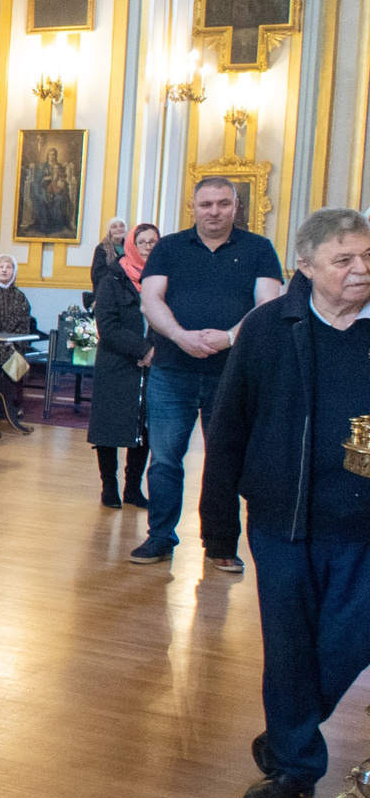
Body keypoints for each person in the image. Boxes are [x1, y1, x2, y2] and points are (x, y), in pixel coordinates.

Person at [201, 208, 370, 798]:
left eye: (367, 258)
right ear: (306, 265)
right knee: (290, 645)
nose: (360, 270)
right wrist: (216, 527)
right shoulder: (270, 327)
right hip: (283, 521)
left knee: (353, 636)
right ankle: (297, 764)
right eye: (344, 260)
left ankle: (285, 732)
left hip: (362, 527)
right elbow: (228, 430)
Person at [134, 175, 286, 570]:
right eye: (206, 204)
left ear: (236, 206)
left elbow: (268, 306)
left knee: (224, 458)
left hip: (232, 373)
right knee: (165, 458)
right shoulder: (168, 247)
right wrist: (181, 336)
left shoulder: (259, 248)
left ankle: (220, 545)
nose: (214, 211)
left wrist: (231, 337)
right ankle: (160, 537)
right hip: (172, 368)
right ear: (194, 207)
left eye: (223, 203)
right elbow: (151, 300)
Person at [90, 222, 159, 510]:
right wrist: (143, 349)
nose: (147, 247)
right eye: (142, 242)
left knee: (143, 428)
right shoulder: (112, 279)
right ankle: (110, 487)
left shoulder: (162, 280)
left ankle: (133, 488)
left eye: (153, 242)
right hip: (116, 362)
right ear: (131, 244)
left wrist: (156, 350)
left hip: (152, 364)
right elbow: (107, 326)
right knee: (109, 426)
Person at [0, 254, 36, 335]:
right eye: (0, 267)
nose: (4, 270)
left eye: (8, 267)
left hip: (13, 342)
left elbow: (23, 325)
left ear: (14, 271)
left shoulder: (20, 296)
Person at [90, 216, 129, 293]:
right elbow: (97, 273)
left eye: (122, 226)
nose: (119, 229)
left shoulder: (130, 247)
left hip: (127, 289)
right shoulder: (102, 248)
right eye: (114, 227)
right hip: (108, 289)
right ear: (109, 231)